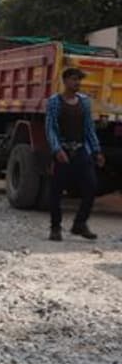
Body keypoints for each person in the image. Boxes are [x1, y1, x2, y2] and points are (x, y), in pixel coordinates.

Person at [45, 67, 104, 241]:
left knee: (91, 186)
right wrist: (57, 150)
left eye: (79, 79)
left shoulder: (84, 102)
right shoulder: (55, 102)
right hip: (62, 150)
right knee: (56, 191)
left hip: (80, 150)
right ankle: (55, 227)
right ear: (65, 81)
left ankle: (80, 224)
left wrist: (96, 150)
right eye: (73, 79)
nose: (77, 83)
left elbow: (89, 129)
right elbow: (50, 128)